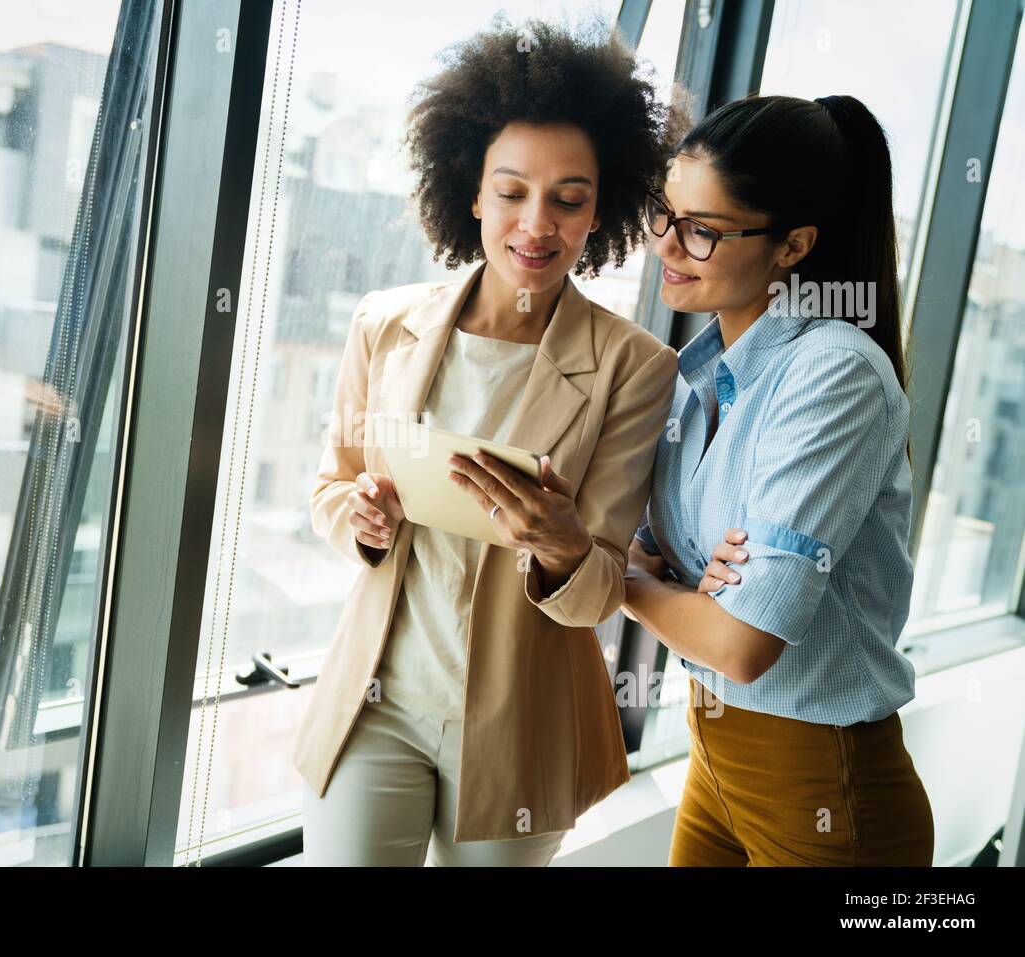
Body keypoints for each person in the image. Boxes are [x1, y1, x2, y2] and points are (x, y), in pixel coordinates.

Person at [293, 17, 681, 866]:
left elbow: (602, 586)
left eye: (568, 198)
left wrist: (563, 546)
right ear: (472, 191)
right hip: (379, 700)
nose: (536, 224)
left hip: (522, 717)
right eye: (511, 191)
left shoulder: (635, 368)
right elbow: (331, 485)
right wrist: (356, 519)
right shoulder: (382, 324)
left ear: (599, 211)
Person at [622, 94, 936, 866]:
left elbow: (739, 642)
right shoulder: (699, 376)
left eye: (704, 230)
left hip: (827, 793)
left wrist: (620, 583)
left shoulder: (835, 372)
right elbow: (650, 547)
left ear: (792, 246)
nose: (668, 245)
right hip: (715, 764)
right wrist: (674, 583)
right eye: (666, 213)